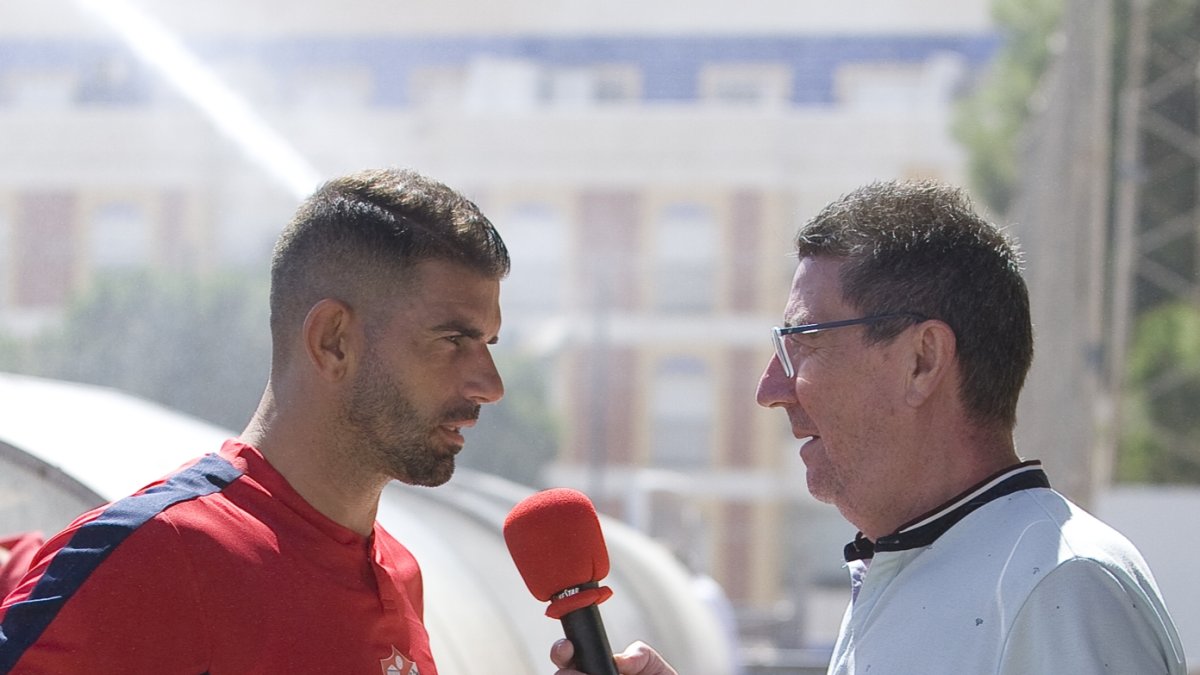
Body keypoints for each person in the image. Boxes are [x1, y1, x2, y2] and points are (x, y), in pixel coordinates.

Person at [552, 179, 1186, 674]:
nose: (769, 391)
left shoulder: (1060, 585)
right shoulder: (918, 558)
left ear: (922, 361)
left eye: (802, 345)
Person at [0, 168, 509, 674]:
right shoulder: (161, 555)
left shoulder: (398, 572)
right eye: (452, 341)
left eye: (487, 345)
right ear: (333, 340)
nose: (491, 384)